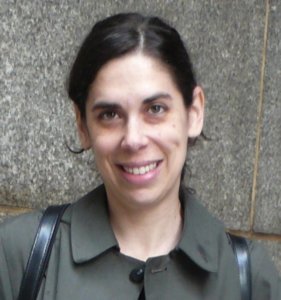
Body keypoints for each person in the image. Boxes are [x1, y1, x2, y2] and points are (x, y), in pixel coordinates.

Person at [0, 12, 280, 300]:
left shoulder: (249, 277)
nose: (133, 139)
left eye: (155, 109)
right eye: (109, 114)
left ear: (194, 112)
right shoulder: (17, 256)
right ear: (82, 125)